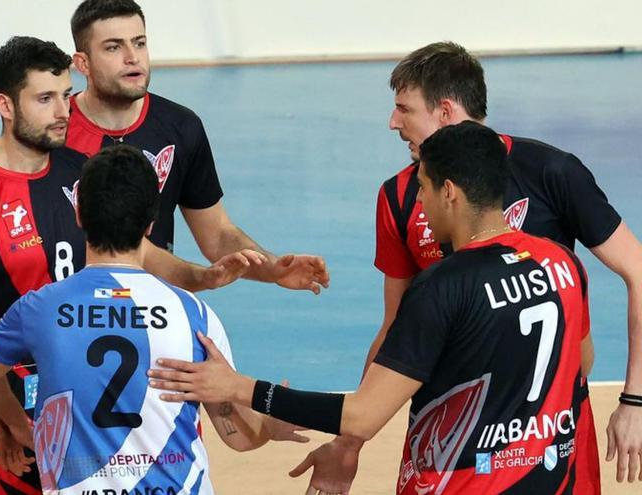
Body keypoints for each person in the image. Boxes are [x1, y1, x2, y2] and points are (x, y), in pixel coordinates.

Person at [0, 37, 266, 495]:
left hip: (80, 419)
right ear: (5, 105)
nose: (62, 111)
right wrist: (12, 419)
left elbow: (142, 255)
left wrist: (201, 277)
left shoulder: (82, 171)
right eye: (45, 99)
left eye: (65, 95)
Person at [150, 122, 602, 494]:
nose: (419, 204)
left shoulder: (443, 286)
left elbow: (363, 414)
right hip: (548, 479)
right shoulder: (561, 261)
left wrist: (240, 388)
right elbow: (579, 365)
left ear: (450, 192)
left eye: (423, 188)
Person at [368, 41, 642, 483]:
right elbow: (393, 326)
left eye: (404, 109)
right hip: (459, 447)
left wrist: (635, 401)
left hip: (553, 438)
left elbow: (639, 271)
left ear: (444, 110)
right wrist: (349, 444)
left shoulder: (551, 171)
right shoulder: (401, 195)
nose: (392, 122)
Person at [0, 144, 306, 494]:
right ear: (150, 224)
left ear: (79, 213)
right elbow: (240, 437)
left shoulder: (39, 308)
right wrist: (268, 424)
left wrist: (22, 428)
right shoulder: (193, 314)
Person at [68, 0, 330, 290]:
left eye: (139, 43)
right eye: (113, 47)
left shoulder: (181, 127)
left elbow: (216, 235)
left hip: (151, 309)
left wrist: (273, 269)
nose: (133, 57)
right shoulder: (53, 130)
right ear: (83, 63)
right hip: (67, 310)